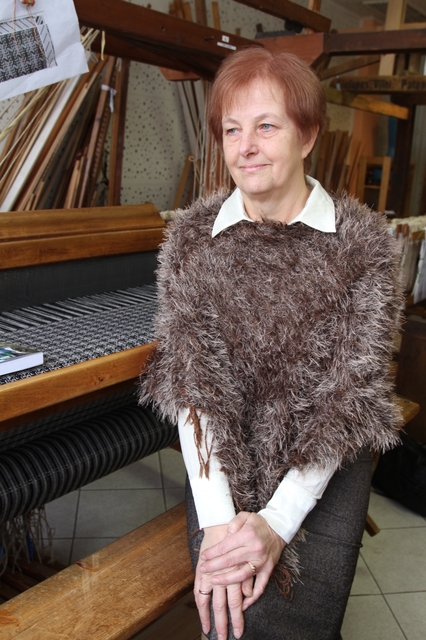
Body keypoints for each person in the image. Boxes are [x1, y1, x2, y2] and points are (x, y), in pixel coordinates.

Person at [140, 47, 403, 640]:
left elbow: (346, 401)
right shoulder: (191, 239)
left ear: (307, 135)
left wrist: (278, 523)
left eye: (266, 126)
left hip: (324, 463)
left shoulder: (362, 246)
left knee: (290, 624)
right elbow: (193, 389)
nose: (245, 147)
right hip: (221, 462)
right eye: (232, 130)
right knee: (230, 615)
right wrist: (219, 525)